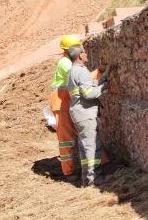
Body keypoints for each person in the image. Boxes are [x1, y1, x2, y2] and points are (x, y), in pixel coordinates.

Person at [66, 44, 109, 186]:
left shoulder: (72, 71)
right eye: (84, 52)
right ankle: (94, 179)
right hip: (85, 113)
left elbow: (86, 85)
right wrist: (103, 87)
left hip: (78, 113)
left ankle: (87, 177)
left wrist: (102, 79)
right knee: (91, 146)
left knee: (84, 147)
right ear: (79, 56)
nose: (87, 54)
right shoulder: (81, 71)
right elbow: (89, 93)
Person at [50, 34, 81, 179]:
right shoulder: (65, 63)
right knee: (66, 139)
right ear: (66, 50)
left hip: (67, 101)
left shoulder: (70, 61)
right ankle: (68, 172)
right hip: (61, 103)